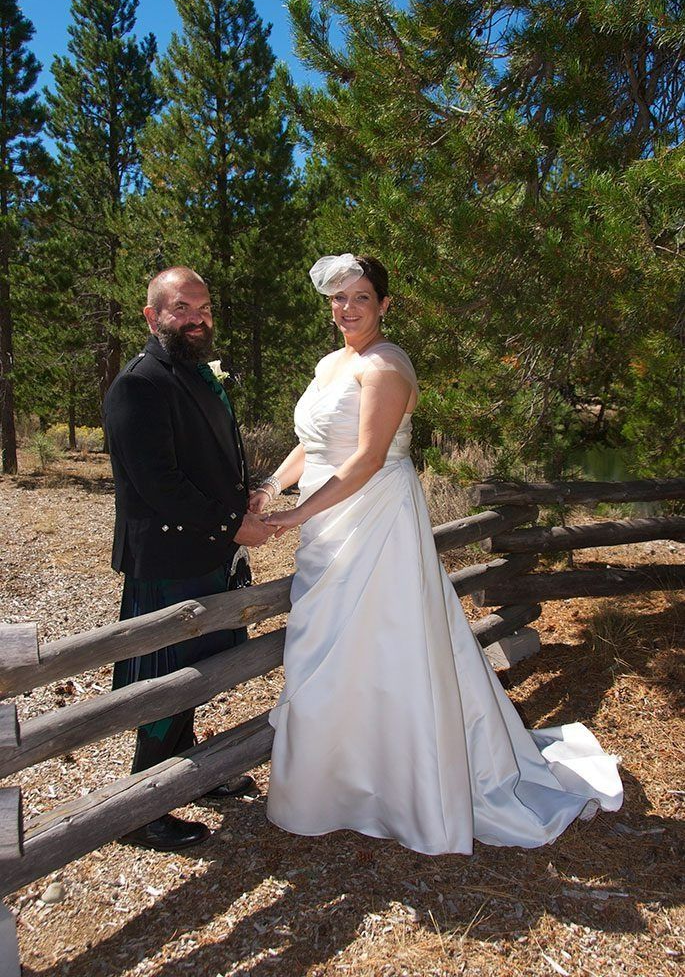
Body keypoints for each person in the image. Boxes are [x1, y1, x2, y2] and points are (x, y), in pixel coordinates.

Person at [252, 253, 623, 856]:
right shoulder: (329, 364)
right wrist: (270, 488)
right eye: (339, 299)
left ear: (385, 305)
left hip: (374, 520)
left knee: (383, 644)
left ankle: (404, 788)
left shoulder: (387, 366)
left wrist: (294, 514)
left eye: (361, 298)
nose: (347, 309)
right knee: (335, 648)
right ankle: (339, 783)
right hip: (329, 521)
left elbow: (367, 459)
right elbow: (310, 443)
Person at [105, 266, 273, 851]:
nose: (197, 319)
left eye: (203, 308)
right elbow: (159, 485)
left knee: (197, 670)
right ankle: (139, 808)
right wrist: (234, 524)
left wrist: (247, 490)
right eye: (182, 308)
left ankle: (185, 777)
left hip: (207, 548)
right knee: (164, 679)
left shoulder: (197, 375)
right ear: (153, 316)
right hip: (170, 557)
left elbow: (215, 454)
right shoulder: (140, 383)